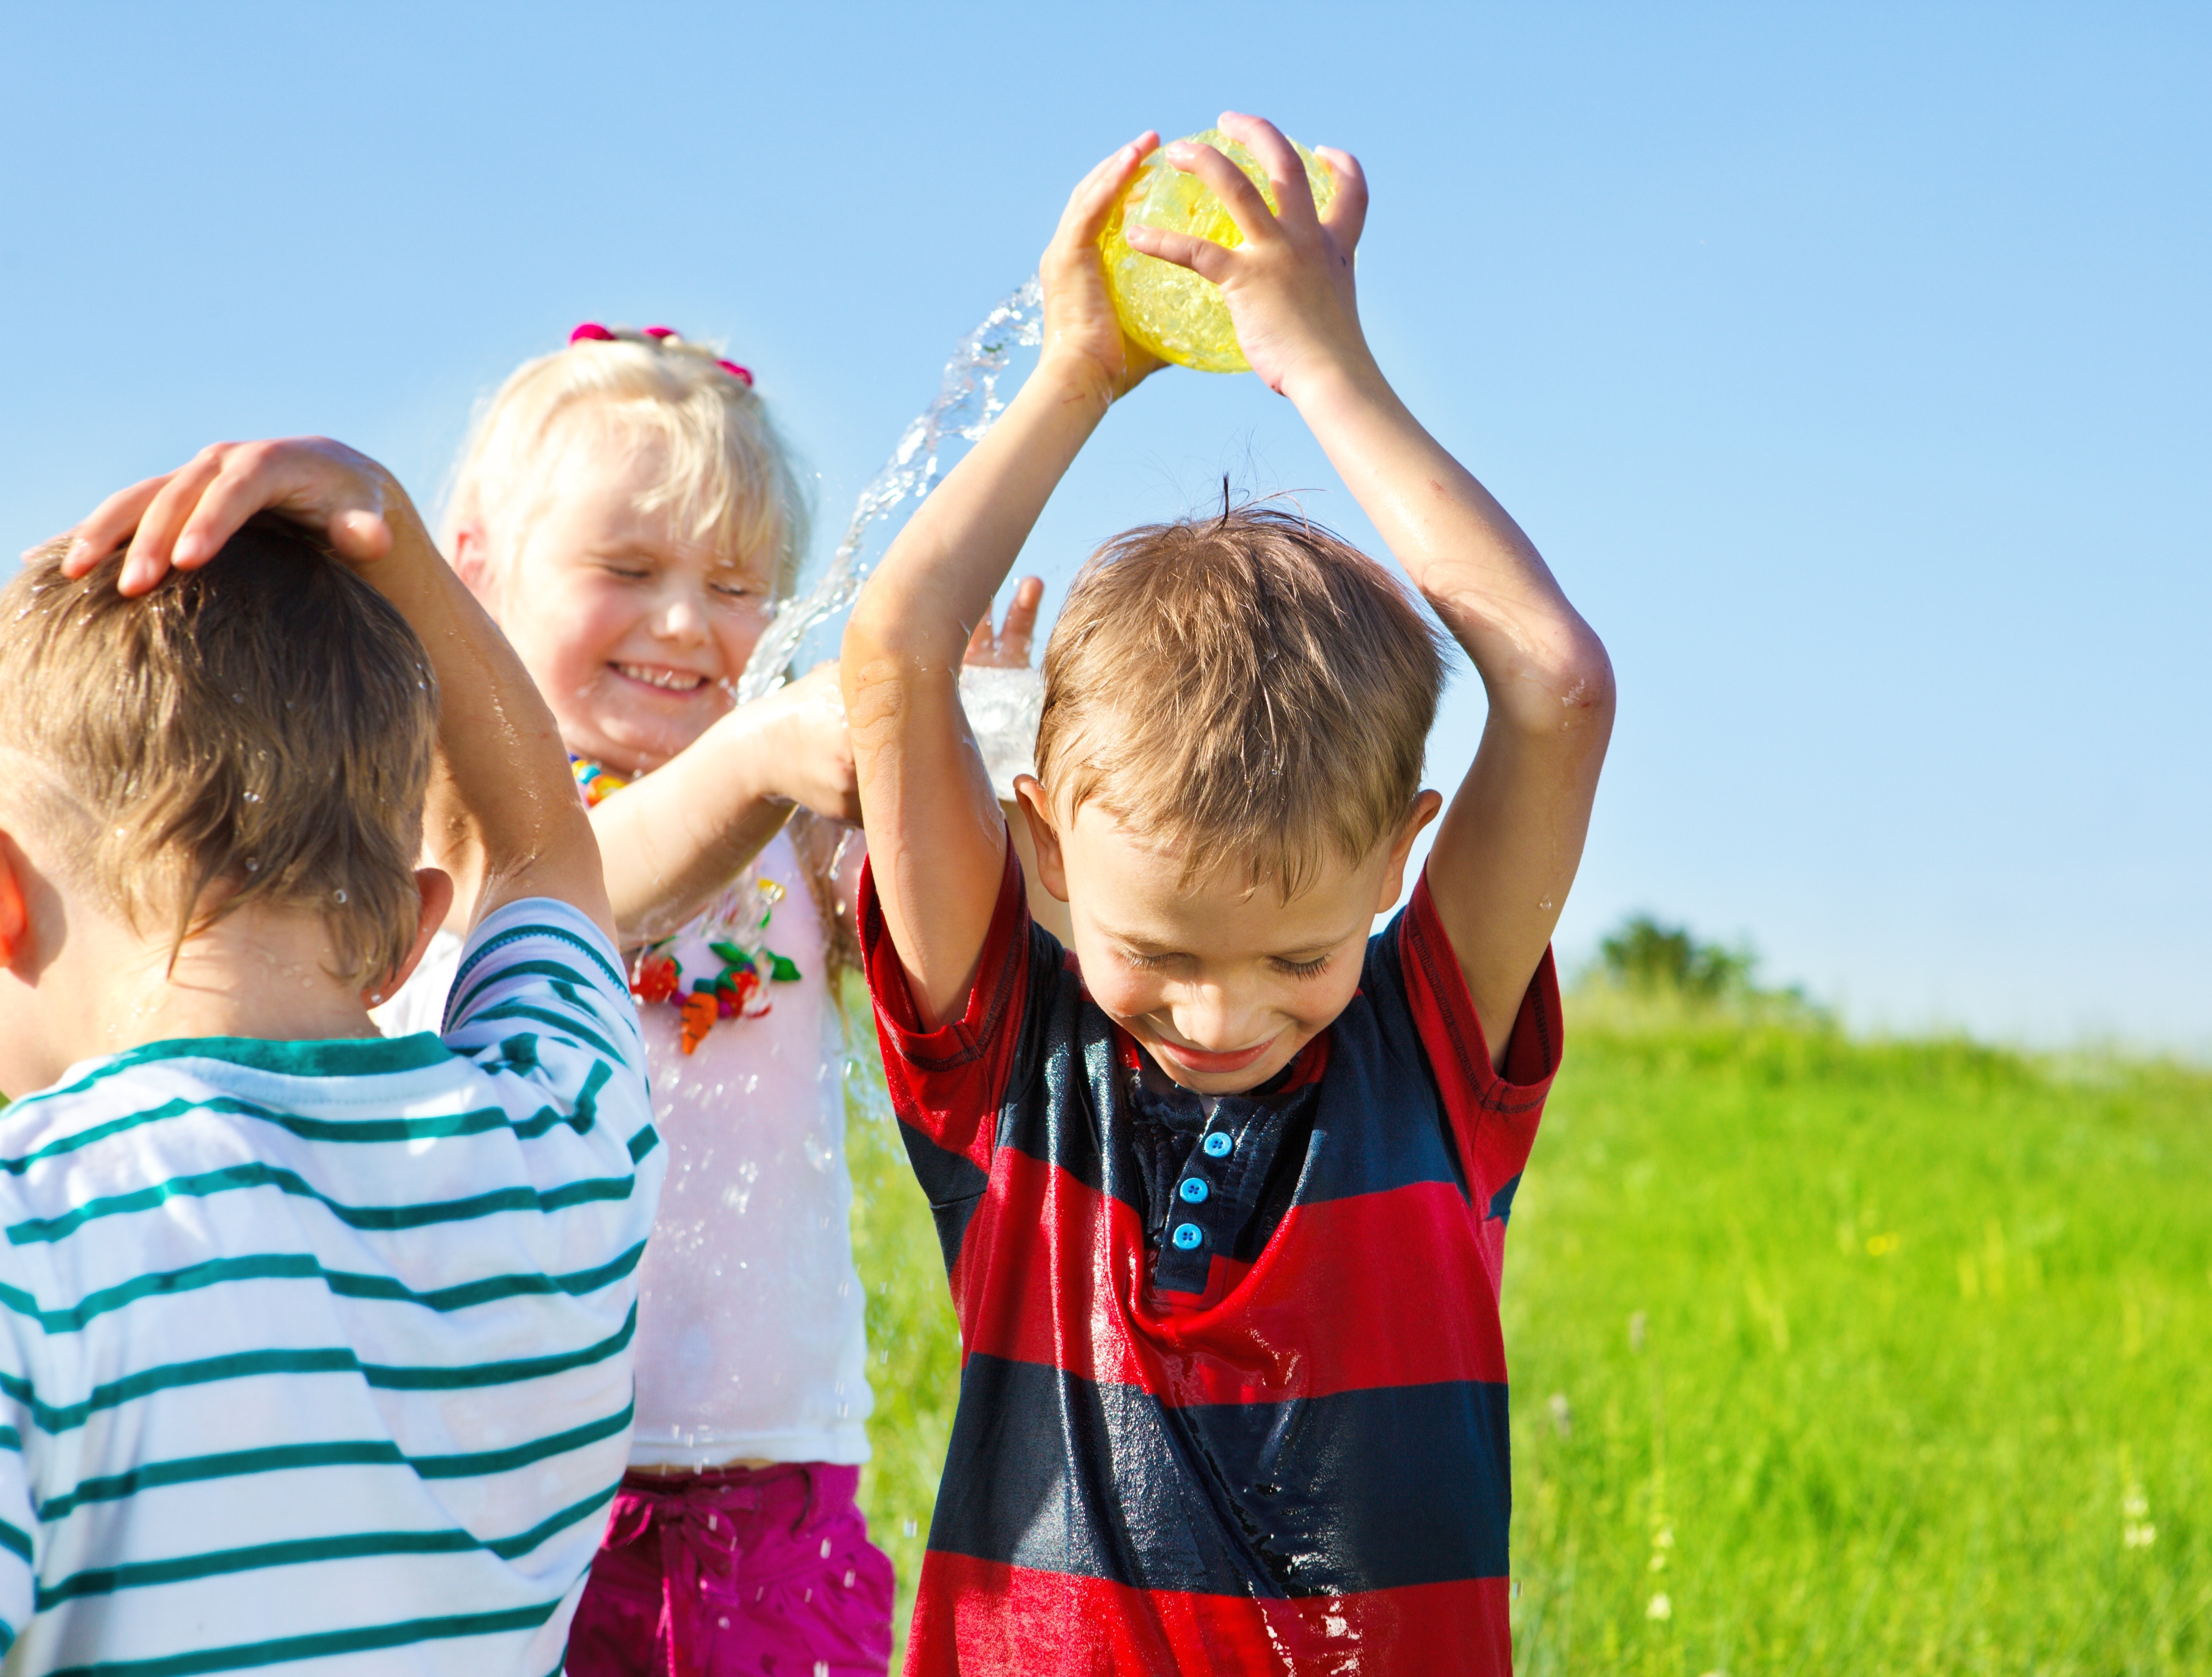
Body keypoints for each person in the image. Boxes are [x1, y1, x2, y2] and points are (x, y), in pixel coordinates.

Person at [841, 115, 1616, 1673]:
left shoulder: (1429, 1058)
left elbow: (1553, 683)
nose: (1223, 1009)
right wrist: (1079, 368)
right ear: (1047, 843)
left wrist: (1322, 366)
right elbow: (895, 659)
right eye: (1158, 950)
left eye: (1298, 952)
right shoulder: (1012, 1075)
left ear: (1403, 854)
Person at [372, 323, 1054, 1674]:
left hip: (773, 1486)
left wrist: (973, 762)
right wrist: (754, 754)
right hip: (499, 1494)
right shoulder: (446, 826)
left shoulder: (792, 841)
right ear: (477, 573)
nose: (686, 621)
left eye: (738, 587)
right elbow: (579, 891)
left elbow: (968, 952)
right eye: (627, 570)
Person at [0, 440, 661, 1672]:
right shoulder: (561, 1147)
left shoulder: (33, 1234)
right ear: (416, 933)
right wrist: (390, 533)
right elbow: (546, 849)